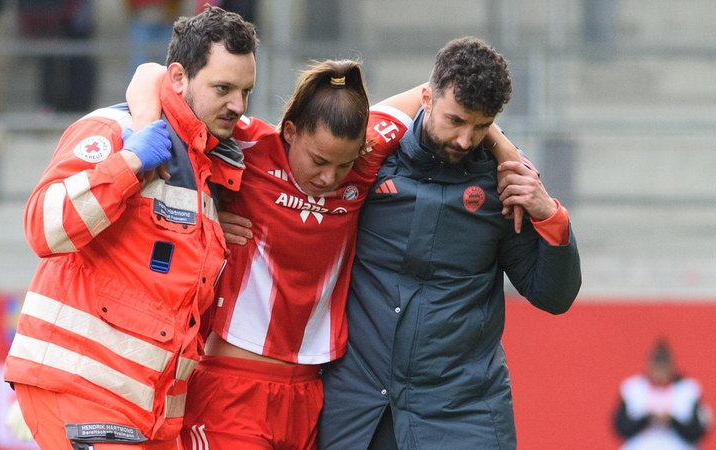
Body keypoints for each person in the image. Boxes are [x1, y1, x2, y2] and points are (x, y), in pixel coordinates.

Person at [126, 53, 524, 448]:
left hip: (310, 392)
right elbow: (154, 74)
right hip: (232, 382)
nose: (329, 177)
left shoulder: (362, 160)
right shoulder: (252, 146)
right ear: (290, 131)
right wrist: (203, 204)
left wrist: (503, 148)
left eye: (342, 165)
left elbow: (433, 97)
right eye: (318, 160)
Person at [3, 6, 258, 449]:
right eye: (223, 88)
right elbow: (42, 227)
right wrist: (129, 162)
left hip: (150, 410)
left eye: (245, 91)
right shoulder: (116, 129)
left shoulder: (210, 161)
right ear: (178, 78)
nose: (237, 104)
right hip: (83, 388)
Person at [317, 36, 582, 450]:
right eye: (455, 120)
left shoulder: (505, 184)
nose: (464, 139)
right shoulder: (368, 159)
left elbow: (554, 295)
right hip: (359, 412)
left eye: (480, 126)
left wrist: (550, 214)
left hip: (463, 418)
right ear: (426, 97)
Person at [614, 339, 711, 449]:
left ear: (672, 365)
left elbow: (699, 430)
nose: (660, 371)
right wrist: (646, 419)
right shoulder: (633, 389)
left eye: (664, 365)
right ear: (649, 364)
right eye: (657, 364)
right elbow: (620, 427)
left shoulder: (689, 390)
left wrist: (671, 421)